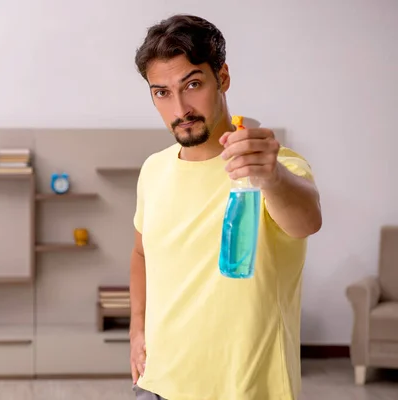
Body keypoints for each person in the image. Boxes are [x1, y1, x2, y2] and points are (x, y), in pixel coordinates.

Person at [129, 14, 322, 400]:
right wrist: (137, 327)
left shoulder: (274, 166)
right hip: (157, 385)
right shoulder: (153, 170)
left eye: (193, 84)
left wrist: (271, 177)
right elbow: (141, 253)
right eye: (162, 92)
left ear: (223, 77)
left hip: (246, 390)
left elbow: (307, 221)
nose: (179, 108)